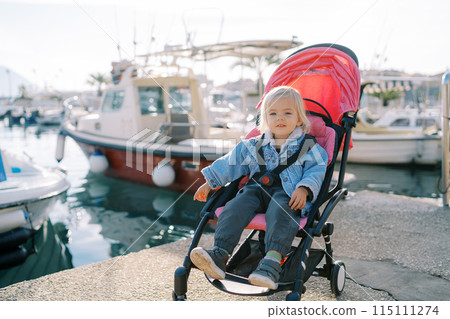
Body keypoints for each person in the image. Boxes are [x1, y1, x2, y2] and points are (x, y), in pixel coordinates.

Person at [190, 86, 328, 290]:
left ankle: (271, 262)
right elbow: (231, 162)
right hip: (256, 191)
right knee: (235, 206)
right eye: (273, 113)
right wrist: (211, 182)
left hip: (287, 194)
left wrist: (305, 188)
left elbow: (316, 170)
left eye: (287, 113)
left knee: (283, 211)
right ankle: (220, 253)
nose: (279, 118)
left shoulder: (308, 147)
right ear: (265, 119)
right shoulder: (254, 145)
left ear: (299, 119)